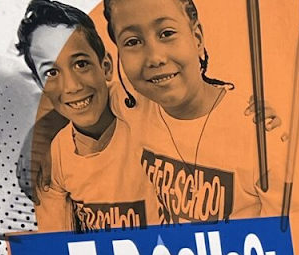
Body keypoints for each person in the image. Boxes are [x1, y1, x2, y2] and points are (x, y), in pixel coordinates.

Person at [103, 0, 283, 223]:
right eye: (132, 41)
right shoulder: (131, 103)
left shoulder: (259, 135)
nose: (155, 58)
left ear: (197, 38)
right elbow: (77, 94)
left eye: (167, 33)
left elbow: (285, 242)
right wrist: (44, 137)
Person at [16, 0, 159, 232]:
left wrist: (41, 130)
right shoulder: (55, 157)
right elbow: (58, 246)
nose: (72, 86)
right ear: (40, 84)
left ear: (106, 66)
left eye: (81, 64)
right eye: (51, 72)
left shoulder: (145, 106)